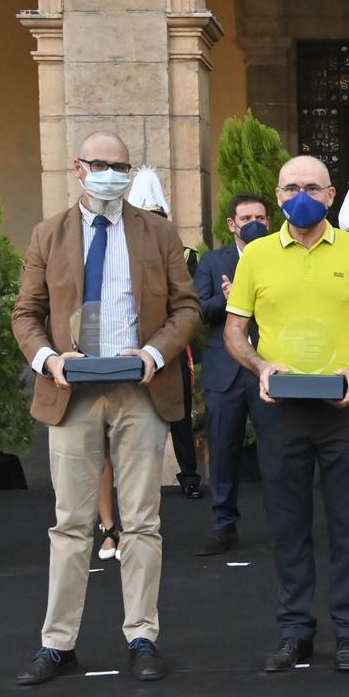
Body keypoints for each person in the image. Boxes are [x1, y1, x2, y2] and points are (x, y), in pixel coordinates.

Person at [11, 132, 201, 686]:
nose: (111, 174)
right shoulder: (48, 234)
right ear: (79, 168)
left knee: (142, 521)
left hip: (139, 390)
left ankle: (142, 636)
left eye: (121, 166)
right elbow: (26, 312)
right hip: (71, 392)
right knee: (70, 524)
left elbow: (186, 307)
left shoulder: (158, 232)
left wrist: (154, 352)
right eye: (101, 164)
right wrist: (50, 360)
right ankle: (57, 644)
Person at [225, 155, 349, 675]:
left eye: (312, 188)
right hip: (281, 409)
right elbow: (235, 332)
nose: (302, 195)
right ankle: (294, 629)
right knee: (288, 522)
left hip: (344, 405)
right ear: (277, 195)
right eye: (292, 186)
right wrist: (260, 368)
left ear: (331, 195)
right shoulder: (255, 255)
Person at [193, 192, 275, 556]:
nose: (254, 223)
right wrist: (230, 300)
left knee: (277, 451)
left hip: (270, 366)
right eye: (246, 218)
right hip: (224, 370)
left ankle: (281, 524)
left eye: (260, 217)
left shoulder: (280, 257)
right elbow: (197, 311)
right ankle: (223, 525)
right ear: (232, 225)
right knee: (223, 450)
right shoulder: (213, 262)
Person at [129, 166, 205, 502]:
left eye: (158, 216)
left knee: (180, 413)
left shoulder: (186, 256)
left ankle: (188, 475)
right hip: (132, 347)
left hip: (171, 346)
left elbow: (186, 303)